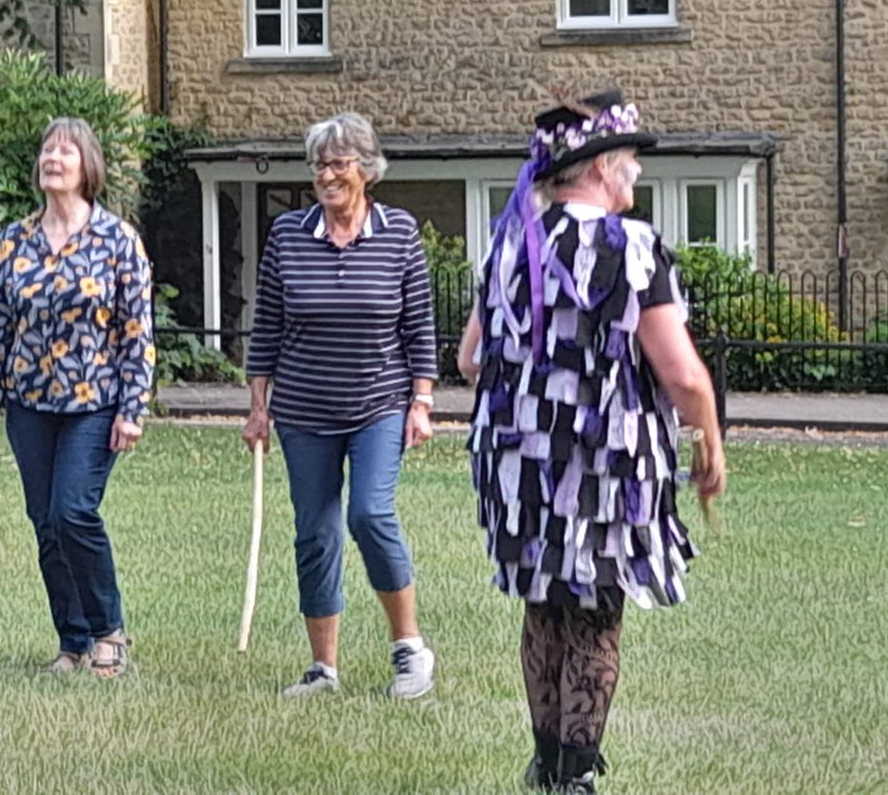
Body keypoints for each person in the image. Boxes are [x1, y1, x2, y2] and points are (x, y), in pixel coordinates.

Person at [459, 92, 725, 793]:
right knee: (595, 616)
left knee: (545, 607)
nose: (635, 171)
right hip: (603, 465)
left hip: (521, 464)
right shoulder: (628, 247)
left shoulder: (511, 242)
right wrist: (710, 440)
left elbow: (468, 359)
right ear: (602, 167)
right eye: (630, 158)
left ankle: (544, 764)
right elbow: (682, 374)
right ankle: (574, 776)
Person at [242, 112, 439, 700]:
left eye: (338, 163)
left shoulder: (399, 233)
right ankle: (322, 669)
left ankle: (409, 649)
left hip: (379, 402)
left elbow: (420, 327)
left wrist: (422, 401)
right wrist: (258, 406)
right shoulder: (288, 235)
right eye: (318, 165)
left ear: (366, 170)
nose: (326, 175)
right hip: (304, 409)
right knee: (316, 532)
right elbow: (267, 325)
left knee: (369, 515)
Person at [0, 117, 155, 678]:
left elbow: (137, 332)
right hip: (29, 405)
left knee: (74, 511)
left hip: (93, 404)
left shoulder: (118, 241)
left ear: (87, 166)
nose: (54, 157)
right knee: (45, 523)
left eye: (66, 150)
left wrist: (132, 408)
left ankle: (109, 632)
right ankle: (72, 641)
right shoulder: (15, 240)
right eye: (48, 149)